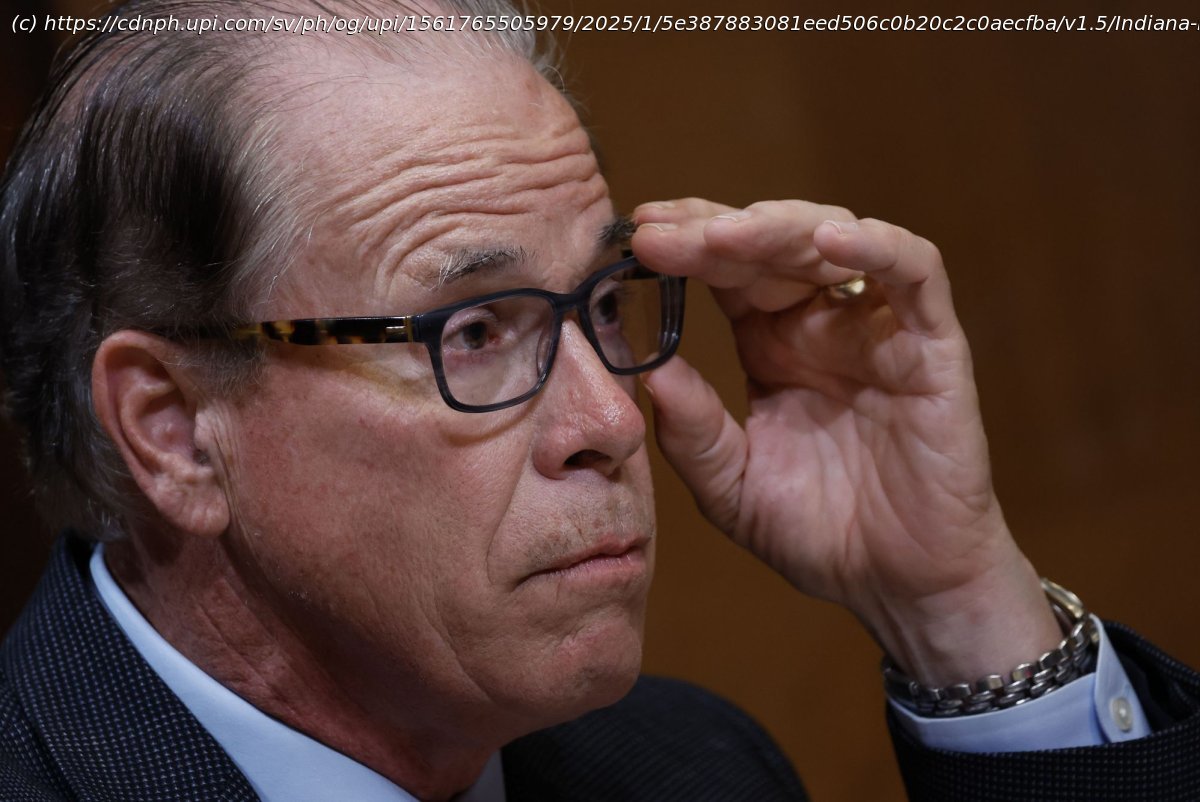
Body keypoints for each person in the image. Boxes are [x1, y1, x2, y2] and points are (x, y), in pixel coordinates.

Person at [1, 0, 1198, 800]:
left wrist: (953, 611)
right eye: (473, 331)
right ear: (174, 431)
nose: (614, 424)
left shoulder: (690, 768)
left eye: (604, 301)